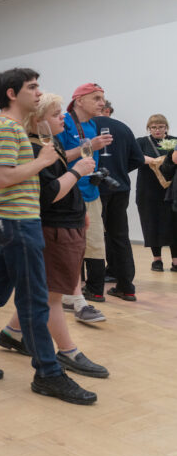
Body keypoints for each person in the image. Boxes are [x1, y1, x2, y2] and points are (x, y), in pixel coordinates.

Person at [0, 67, 96, 405]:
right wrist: (42, 161)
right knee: (33, 301)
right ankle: (48, 373)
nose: (38, 92)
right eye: (32, 87)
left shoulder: (11, 128)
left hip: (9, 221)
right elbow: (3, 177)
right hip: (16, 222)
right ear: (12, 94)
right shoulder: (6, 128)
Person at [0, 93, 108, 378]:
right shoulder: (35, 150)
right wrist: (77, 171)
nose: (63, 119)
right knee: (52, 296)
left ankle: (12, 333)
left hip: (67, 223)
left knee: (48, 291)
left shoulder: (51, 144)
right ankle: (68, 352)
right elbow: (47, 195)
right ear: (38, 120)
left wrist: (79, 211)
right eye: (57, 114)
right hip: (54, 227)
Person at [56, 83, 112, 311]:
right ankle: (67, 294)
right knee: (70, 246)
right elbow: (57, 158)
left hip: (91, 192)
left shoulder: (92, 124)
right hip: (69, 193)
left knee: (95, 243)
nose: (102, 103)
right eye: (96, 98)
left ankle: (93, 291)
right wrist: (90, 145)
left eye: (103, 98)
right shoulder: (64, 122)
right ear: (79, 101)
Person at [94, 110, 145, 300]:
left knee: (93, 237)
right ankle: (126, 287)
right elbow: (138, 159)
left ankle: (94, 289)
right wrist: (121, 170)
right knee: (120, 237)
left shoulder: (86, 127)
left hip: (95, 188)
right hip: (120, 187)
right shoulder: (123, 128)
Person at [136, 114, 177, 272]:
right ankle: (156, 260)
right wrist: (152, 161)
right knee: (151, 223)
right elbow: (135, 157)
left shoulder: (175, 141)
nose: (157, 130)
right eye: (153, 127)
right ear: (149, 128)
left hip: (171, 190)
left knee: (174, 225)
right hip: (148, 190)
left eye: (160, 127)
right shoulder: (141, 142)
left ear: (166, 127)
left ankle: (175, 261)